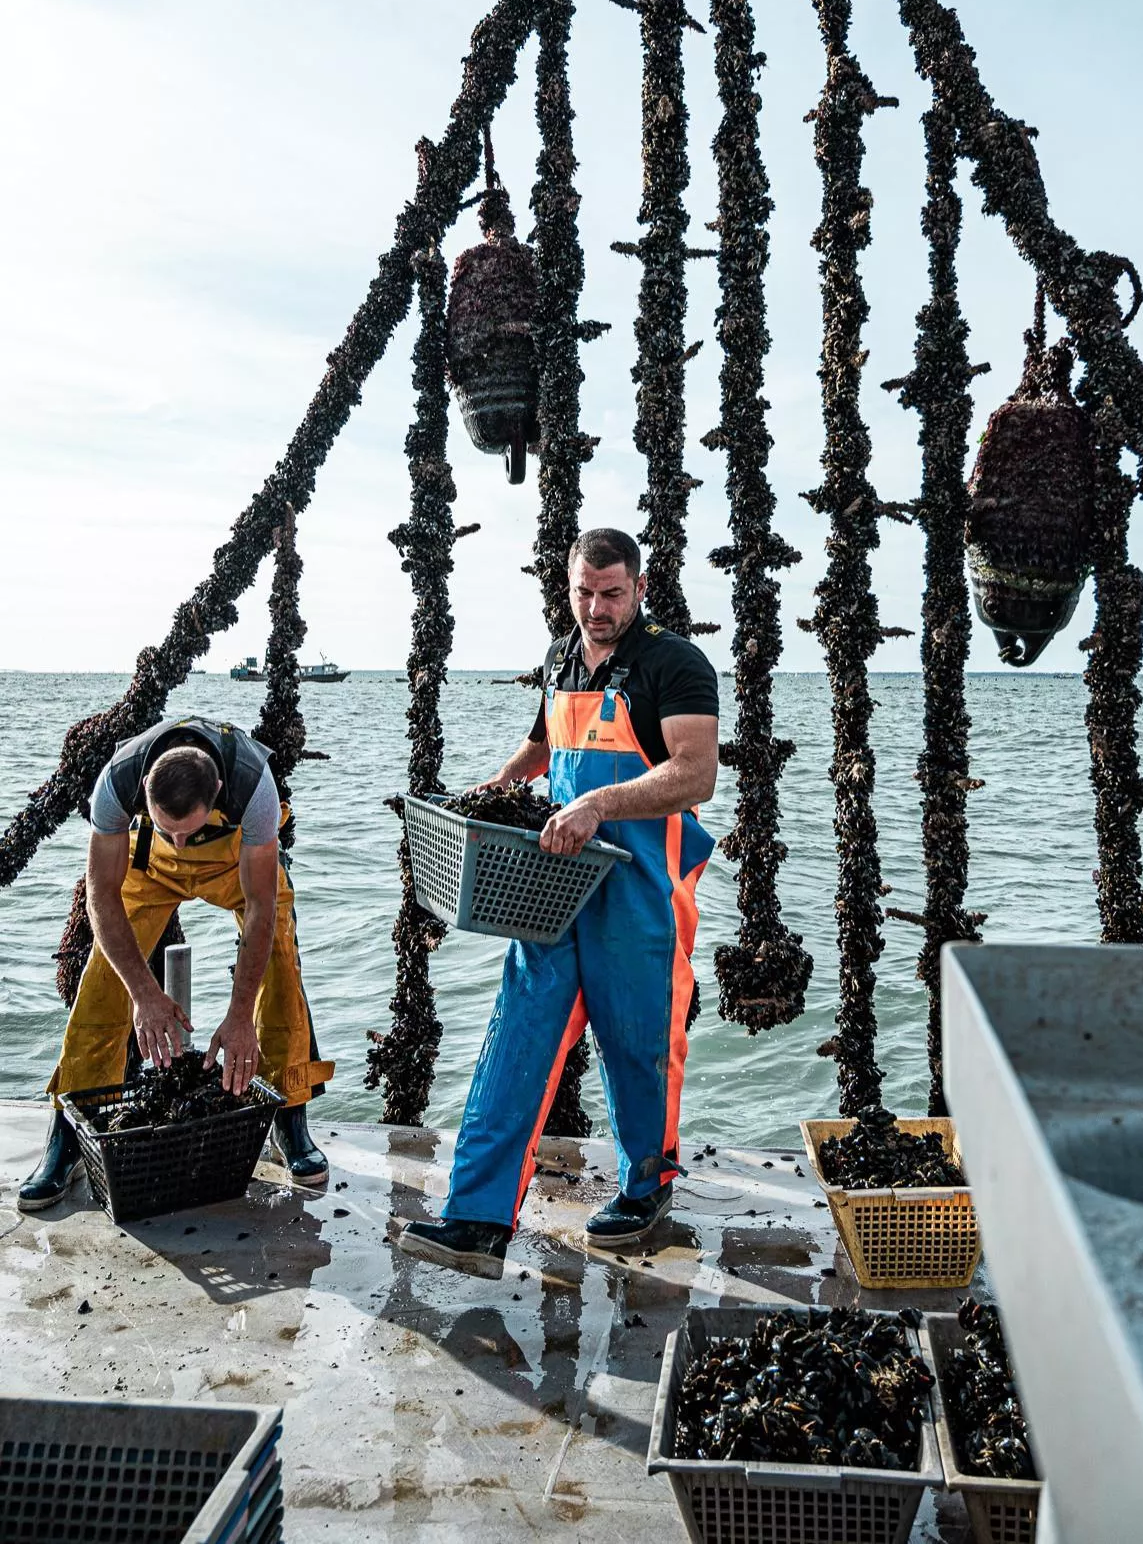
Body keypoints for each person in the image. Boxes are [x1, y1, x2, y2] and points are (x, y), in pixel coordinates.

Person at [396, 528, 719, 1278]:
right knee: (516, 1040)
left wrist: (600, 803)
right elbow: (541, 748)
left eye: (610, 593)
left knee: (639, 1048)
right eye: (583, 592)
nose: (596, 607)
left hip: (641, 892)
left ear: (640, 588)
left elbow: (694, 774)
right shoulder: (560, 654)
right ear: (568, 586)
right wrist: (494, 790)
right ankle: (475, 1218)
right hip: (552, 885)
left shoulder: (674, 663)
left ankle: (646, 1187)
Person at [19, 714, 334, 1211]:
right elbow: (102, 896)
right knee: (103, 979)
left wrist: (238, 1016)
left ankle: (290, 1119)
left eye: (189, 831)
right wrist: (144, 995)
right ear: (145, 788)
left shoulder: (254, 789)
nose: (182, 841)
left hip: (236, 866)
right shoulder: (116, 782)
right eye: (170, 827)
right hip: (149, 868)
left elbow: (259, 908)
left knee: (279, 963)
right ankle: (68, 1134)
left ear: (219, 793)